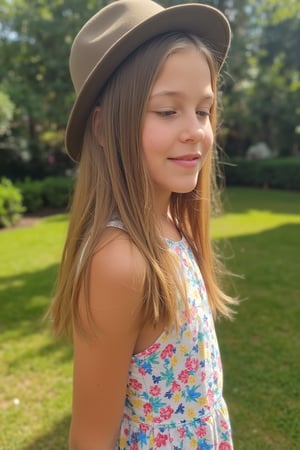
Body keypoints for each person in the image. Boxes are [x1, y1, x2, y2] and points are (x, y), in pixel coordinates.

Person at [48, 0, 237, 448]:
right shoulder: (119, 264)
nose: (195, 130)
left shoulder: (172, 224)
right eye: (168, 111)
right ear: (103, 126)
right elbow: (91, 438)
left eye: (204, 110)